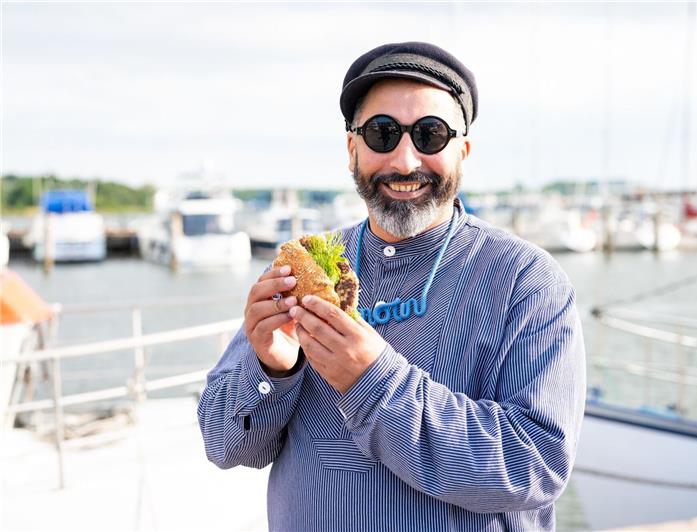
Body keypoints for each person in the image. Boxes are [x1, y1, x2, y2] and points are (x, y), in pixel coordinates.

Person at [198, 41, 586, 531]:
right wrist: (272, 367)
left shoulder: (528, 282)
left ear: (462, 152)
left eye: (431, 134)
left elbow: (535, 466)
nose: (405, 161)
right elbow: (223, 444)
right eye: (382, 133)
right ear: (351, 148)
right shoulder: (303, 271)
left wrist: (372, 382)